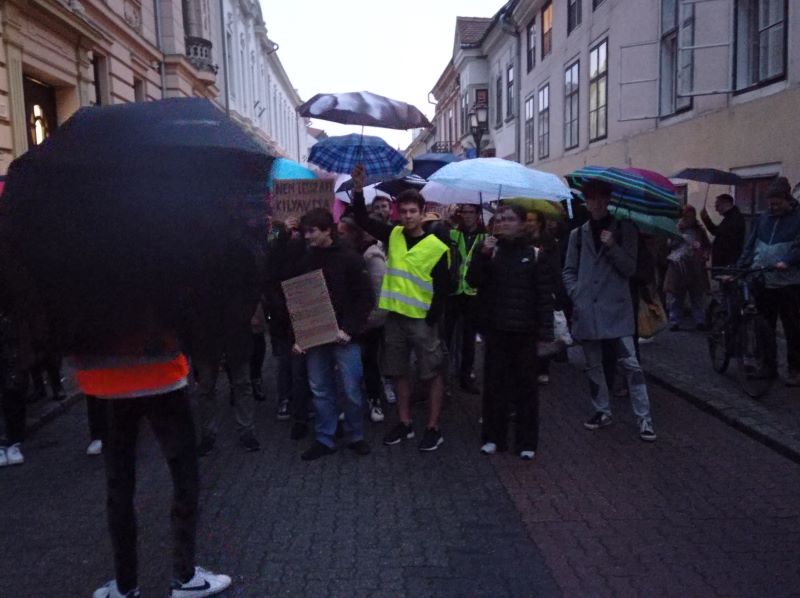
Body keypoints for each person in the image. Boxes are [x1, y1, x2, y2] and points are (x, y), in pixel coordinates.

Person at [351, 164, 450, 452]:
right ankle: (405, 423)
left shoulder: (436, 246)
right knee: (398, 372)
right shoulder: (392, 234)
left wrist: (433, 318)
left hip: (422, 320)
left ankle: (433, 427)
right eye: (403, 211)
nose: (407, 216)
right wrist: (358, 188)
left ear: (421, 212)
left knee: (431, 373)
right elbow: (360, 218)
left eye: (412, 212)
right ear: (398, 212)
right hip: (394, 318)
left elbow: (444, 287)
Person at [562, 179, 657, 442]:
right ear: (586, 201)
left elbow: (629, 268)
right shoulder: (577, 234)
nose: (596, 204)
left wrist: (613, 246)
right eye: (591, 199)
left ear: (609, 200)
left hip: (616, 309)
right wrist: (575, 293)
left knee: (631, 364)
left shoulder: (625, 229)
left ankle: (644, 419)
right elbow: (569, 269)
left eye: (601, 198)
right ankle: (602, 411)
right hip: (588, 309)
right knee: (593, 365)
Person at [467, 204, 554, 460]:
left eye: (510, 219)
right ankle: (494, 437)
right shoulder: (489, 251)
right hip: (496, 330)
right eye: (501, 218)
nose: (504, 222)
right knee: (495, 386)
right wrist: (482, 255)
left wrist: (545, 332)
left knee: (526, 388)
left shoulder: (535, 254)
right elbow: (473, 281)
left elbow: (543, 296)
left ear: (521, 223)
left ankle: (526, 441)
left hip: (525, 331)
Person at [291, 208, 375, 461]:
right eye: (305, 231)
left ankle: (355, 435)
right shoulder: (306, 260)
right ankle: (325, 437)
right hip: (318, 336)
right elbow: (301, 300)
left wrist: (348, 329)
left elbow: (365, 298)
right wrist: (302, 335)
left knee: (350, 388)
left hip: (344, 336)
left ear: (327, 230)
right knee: (320, 388)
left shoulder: (350, 258)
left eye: (311, 231)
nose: (307, 236)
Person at [191, 231, 264, 456]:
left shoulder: (233, 250)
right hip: (214, 329)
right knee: (214, 386)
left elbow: (252, 285)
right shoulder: (234, 249)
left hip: (224, 328)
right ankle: (230, 432)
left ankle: (231, 432)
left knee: (228, 384)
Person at [737, 177, 800, 387]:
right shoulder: (763, 218)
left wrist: (787, 261)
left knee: (792, 328)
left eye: (776, 203)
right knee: (765, 327)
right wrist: (741, 267)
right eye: (770, 203)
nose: (772, 207)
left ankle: (795, 369)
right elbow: (750, 244)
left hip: (789, 282)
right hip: (763, 279)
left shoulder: (798, 218)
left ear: (787, 199)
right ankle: (768, 366)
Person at [339, 217, 388, 423]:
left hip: (368, 323)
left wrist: (369, 322)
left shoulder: (371, 256)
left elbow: (379, 294)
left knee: (369, 362)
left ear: (353, 233)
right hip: (352, 321)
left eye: (342, 232)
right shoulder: (345, 254)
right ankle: (352, 402)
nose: (338, 236)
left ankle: (374, 400)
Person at [444, 204, 486, 394]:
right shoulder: (453, 234)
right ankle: (443, 377)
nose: (467, 216)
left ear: (478, 215)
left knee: (468, 339)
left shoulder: (486, 238)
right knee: (446, 336)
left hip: (473, 293)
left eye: (471, 212)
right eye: (465, 212)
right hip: (453, 292)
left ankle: (466, 375)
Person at [664, 205, 710, 331]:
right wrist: (677, 238)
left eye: (691, 216)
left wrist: (704, 253)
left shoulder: (699, 230)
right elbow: (668, 245)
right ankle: (674, 321)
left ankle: (699, 320)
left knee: (696, 295)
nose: (689, 219)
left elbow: (706, 245)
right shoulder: (676, 228)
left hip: (695, 266)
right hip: (678, 266)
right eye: (687, 216)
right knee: (676, 296)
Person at [700, 193, 746, 268]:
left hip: (727, 263)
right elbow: (717, 232)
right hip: (724, 262)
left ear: (726, 203)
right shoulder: (729, 218)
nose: (716, 209)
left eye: (718, 205)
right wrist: (706, 219)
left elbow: (719, 234)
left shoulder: (734, 219)